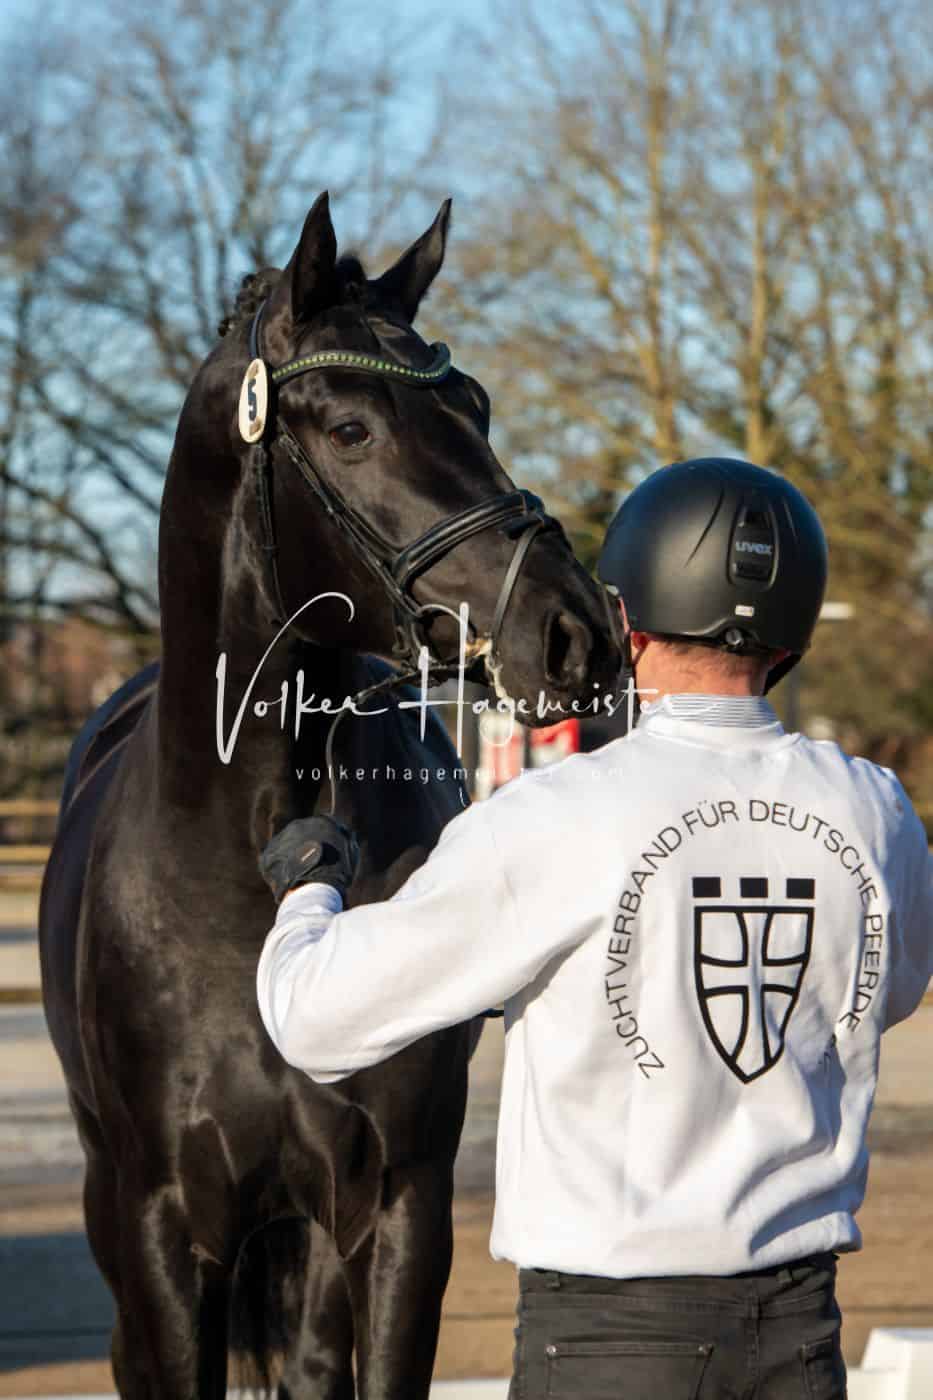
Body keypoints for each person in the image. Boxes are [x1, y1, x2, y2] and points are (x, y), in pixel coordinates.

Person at [256, 457, 933, 1400]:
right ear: (794, 635)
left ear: (625, 619)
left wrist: (308, 890)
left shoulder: (557, 812)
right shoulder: (875, 810)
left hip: (610, 1340)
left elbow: (314, 1019)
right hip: (799, 1337)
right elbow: (879, 993)